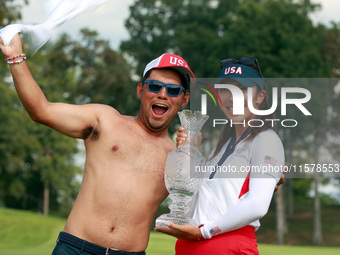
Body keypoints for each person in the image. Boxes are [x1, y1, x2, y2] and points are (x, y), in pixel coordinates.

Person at [0, 34, 194, 255]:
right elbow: (41, 110)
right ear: (141, 90)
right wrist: (16, 56)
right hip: (75, 248)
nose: (162, 94)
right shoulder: (105, 120)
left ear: (184, 100)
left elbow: (196, 209)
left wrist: (188, 154)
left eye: (173, 90)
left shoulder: (178, 157)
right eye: (155, 86)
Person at [155, 57, 285, 254]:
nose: (232, 98)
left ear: (260, 97)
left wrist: (204, 233)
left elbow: (257, 205)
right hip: (191, 245)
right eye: (225, 90)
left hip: (228, 246)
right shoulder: (220, 147)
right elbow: (197, 207)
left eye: (242, 88)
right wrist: (191, 153)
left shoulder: (267, 139)